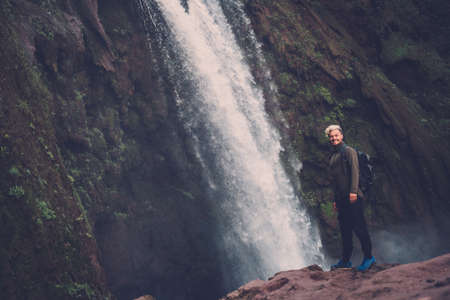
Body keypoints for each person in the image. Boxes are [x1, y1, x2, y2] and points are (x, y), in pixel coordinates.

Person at [325, 124, 376, 271]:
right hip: (341, 200)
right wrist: (335, 200)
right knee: (345, 230)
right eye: (331, 136)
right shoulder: (333, 156)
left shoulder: (348, 151)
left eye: (336, 135)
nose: (334, 138)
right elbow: (334, 181)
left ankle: (369, 257)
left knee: (359, 228)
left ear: (341, 136)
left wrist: (353, 191)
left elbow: (355, 171)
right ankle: (345, 260)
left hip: (353, 197)